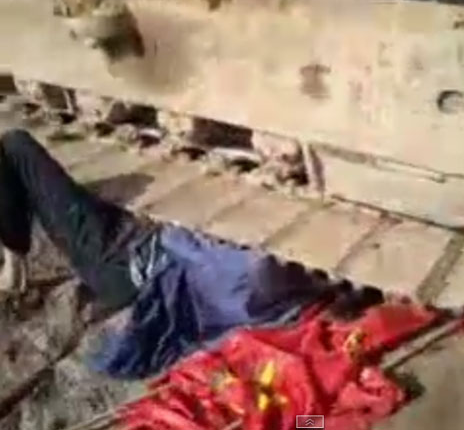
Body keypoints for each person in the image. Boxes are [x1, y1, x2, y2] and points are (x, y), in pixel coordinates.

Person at [0, 121, 348, 378]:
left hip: (121, 259)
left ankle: (14, 252)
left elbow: (175, 237)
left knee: (16, 146)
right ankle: (17, 244)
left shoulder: (274, 285)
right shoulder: (288, 297)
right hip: (138, 262)